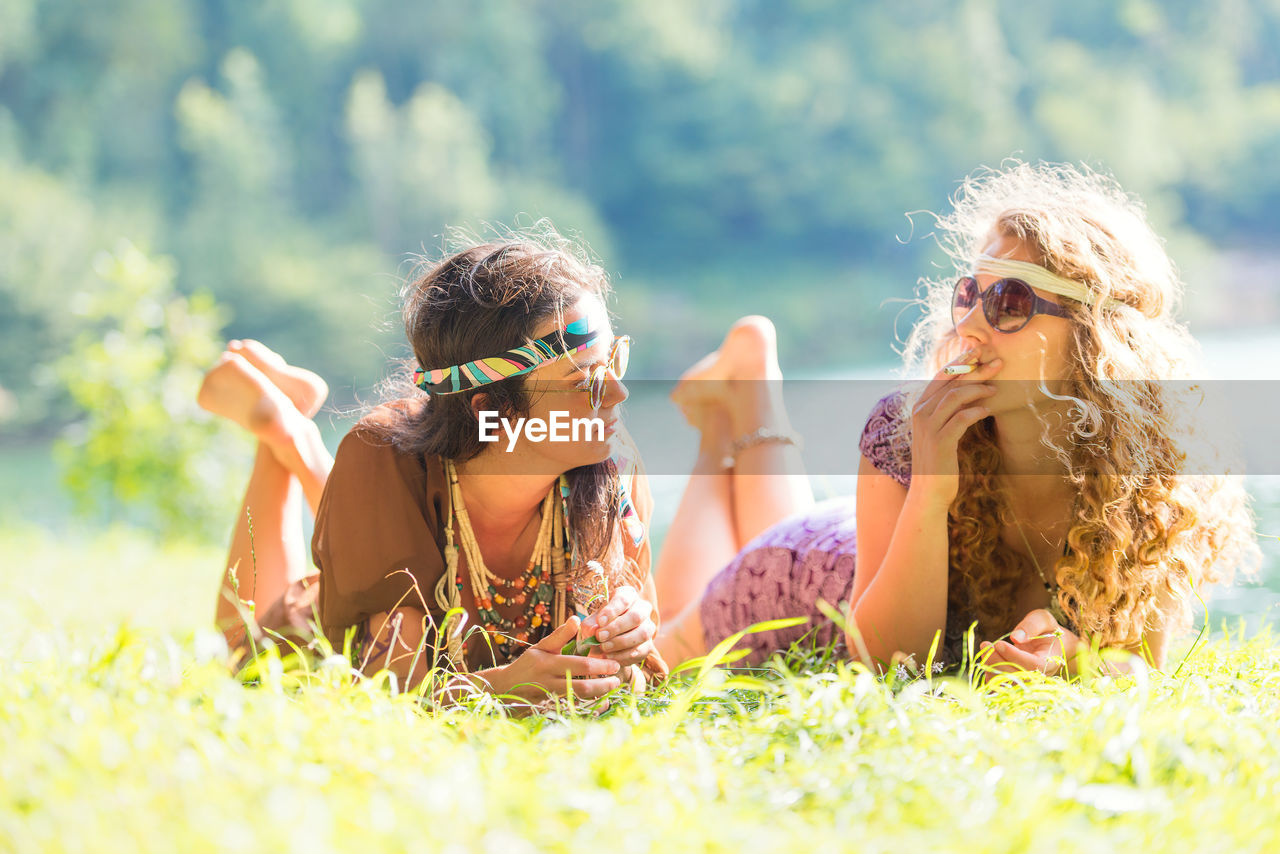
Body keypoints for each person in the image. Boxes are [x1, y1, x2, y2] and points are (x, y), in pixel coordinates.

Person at [652, 162, 1259, 675]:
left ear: (1096, 337)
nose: (968, 324)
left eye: (1010, 303)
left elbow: (1142, 663)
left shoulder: (1153, 467)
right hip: (801, 577)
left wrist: (1075, 661)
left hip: (851, 538)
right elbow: (885, 665)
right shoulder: (904, 431)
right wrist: (932, 488)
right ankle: (717, 431)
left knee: (779, 521)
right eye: (971, 294)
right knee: (666, 650)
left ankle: (754, 388)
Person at [199, 231, 666, 704]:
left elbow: (635, 675)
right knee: (236, 648)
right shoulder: (379, 456)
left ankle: (290, 424)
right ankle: (283, 428)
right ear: (494, 411)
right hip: (311, 633)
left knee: (383, 516)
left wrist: (630, 643)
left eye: (615, 361)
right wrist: (504, 687)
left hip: (382, 527)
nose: (618, 395)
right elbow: (393, 692)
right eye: (584, 382)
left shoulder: (610, 467)